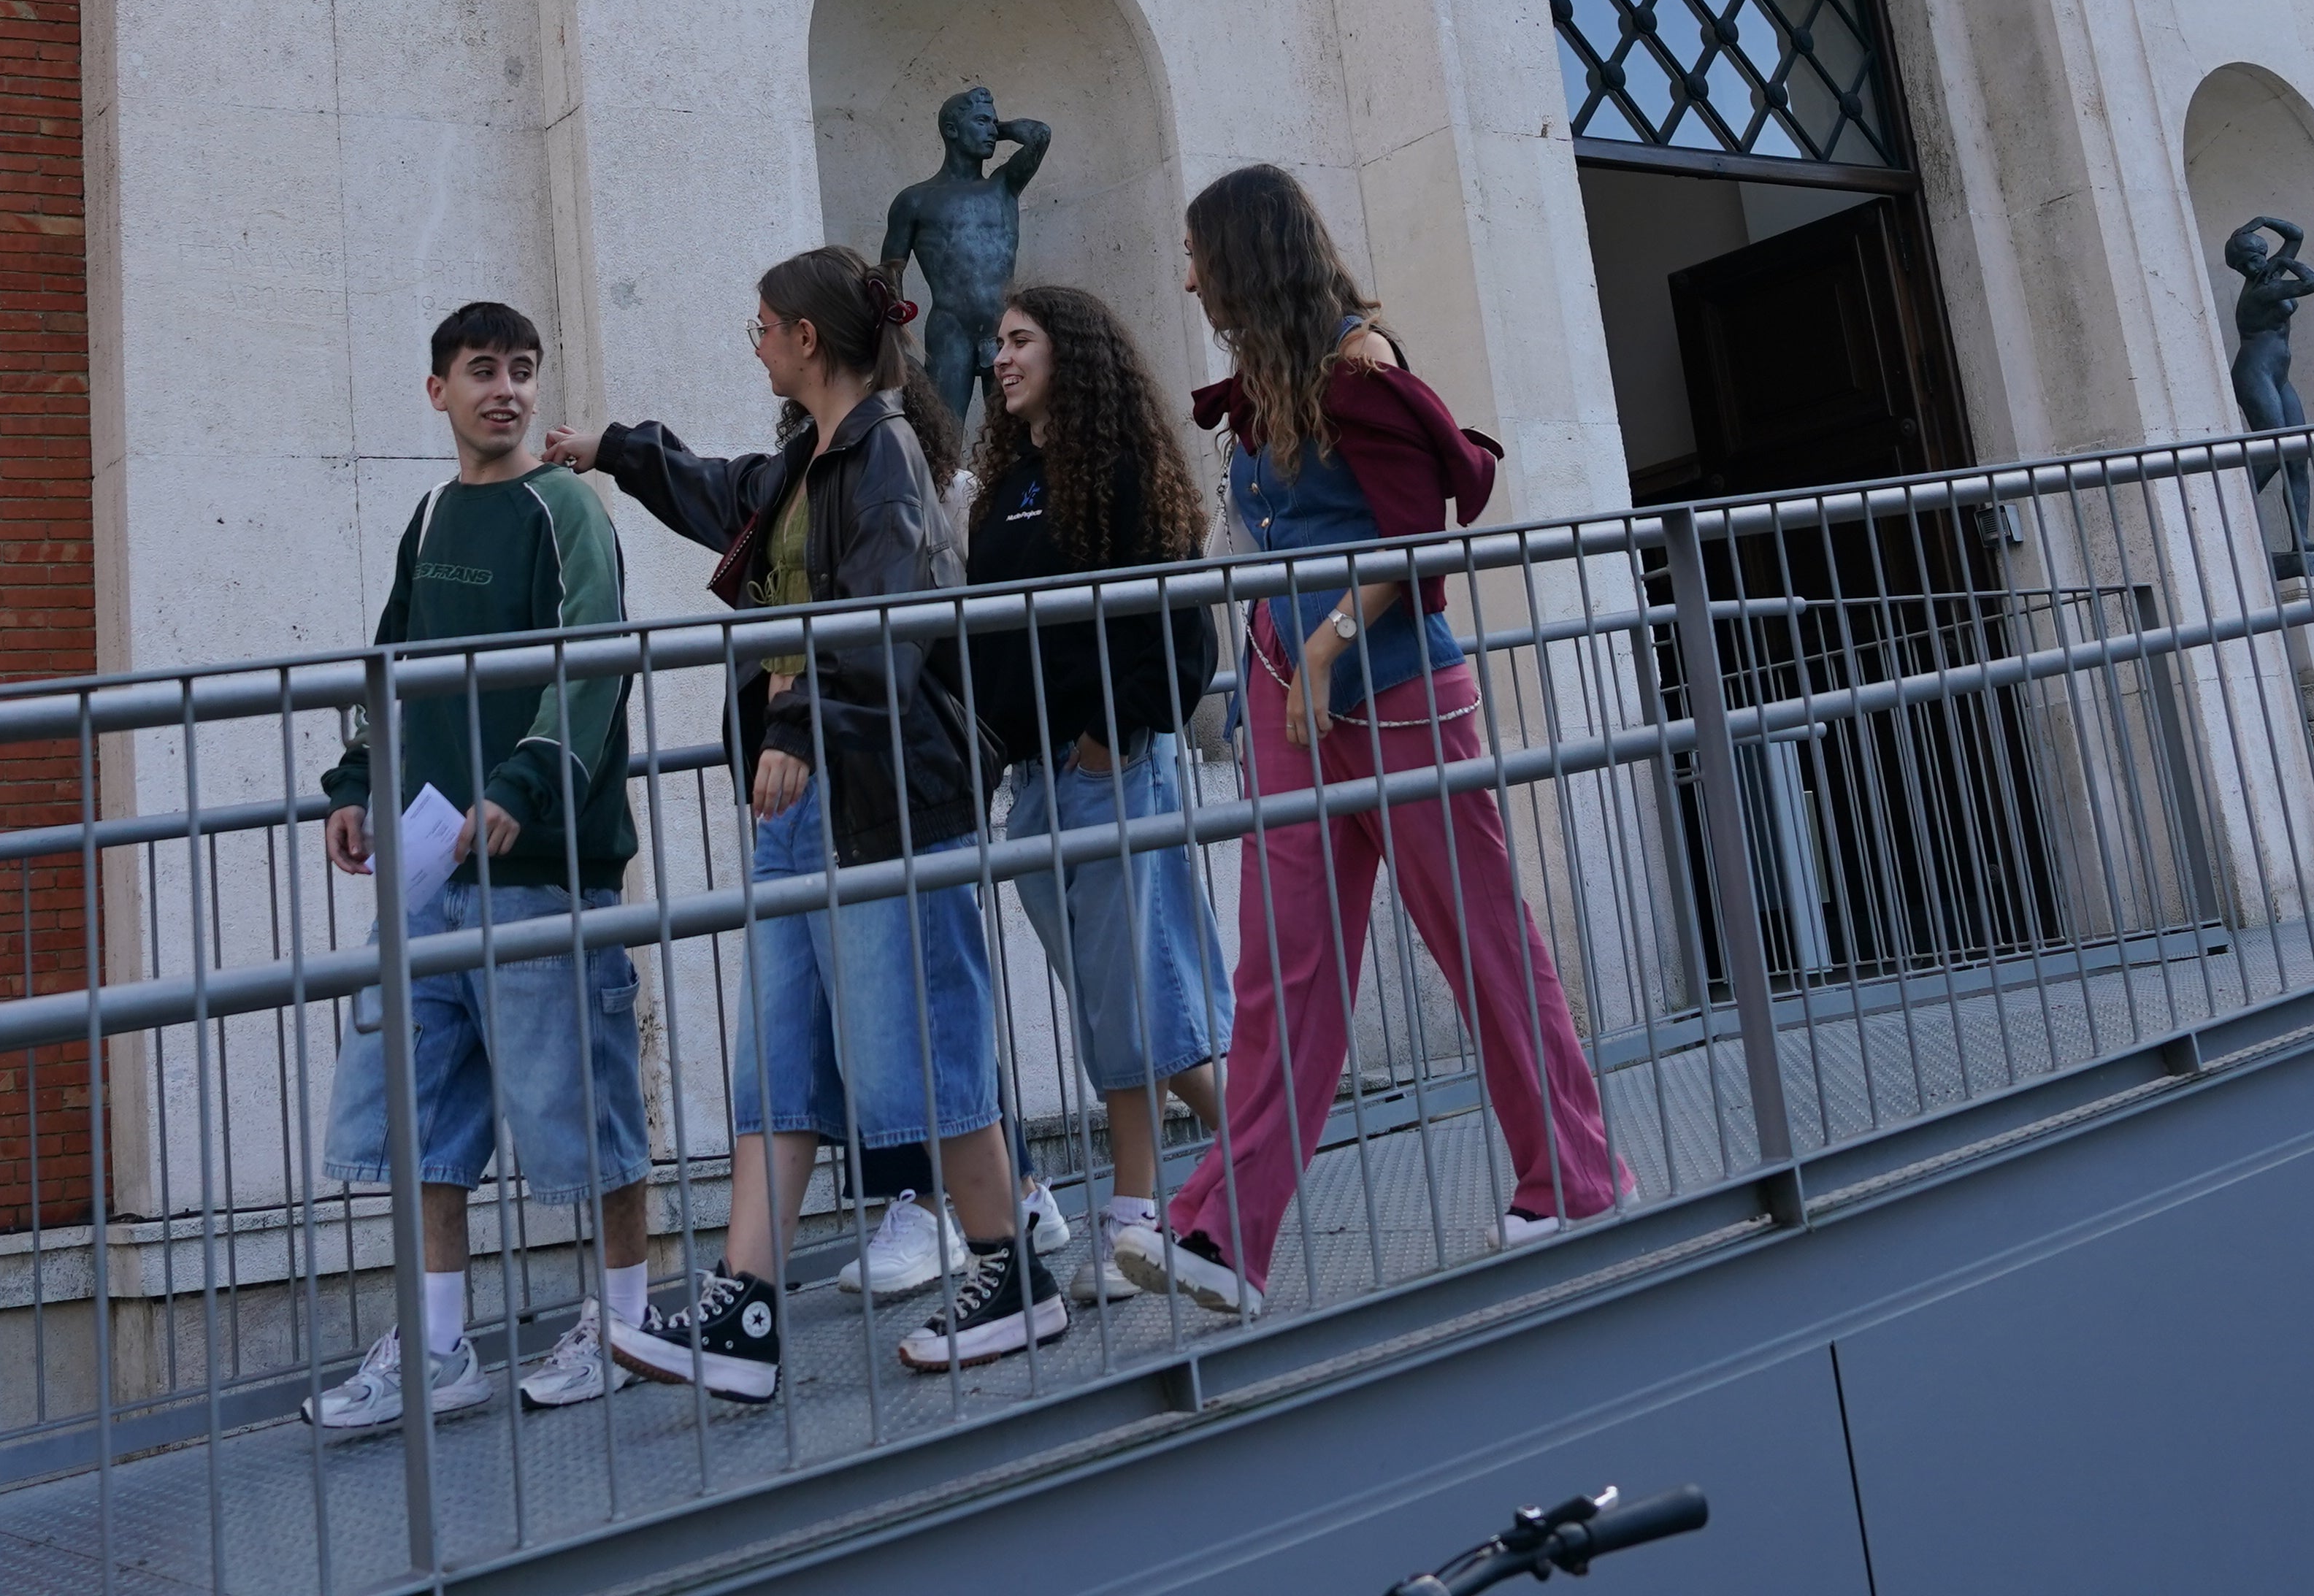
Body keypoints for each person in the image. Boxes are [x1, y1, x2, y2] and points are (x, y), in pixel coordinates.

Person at [547, 246, 1066, 1394]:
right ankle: (746, 1310)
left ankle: (1010, 1271)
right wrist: (614, 454)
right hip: (803, 804)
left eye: (764, 327)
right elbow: (723, 491)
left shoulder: (883, 458)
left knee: (919, 1043)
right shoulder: (810, 460)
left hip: (876, 795)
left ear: (808, 342)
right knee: (776, 1055)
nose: (759, 343)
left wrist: (794, 730)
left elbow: (889, 615)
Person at [1158, 168, 1623, 1316]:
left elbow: (1421, 542)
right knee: (1285, 975)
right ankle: (1223, 1235)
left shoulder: (1363, 367)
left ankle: (1575, 1180)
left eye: (1197, 253)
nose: (1185, 275)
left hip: (1401, 697)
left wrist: (1319, 651)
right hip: (1289, 706)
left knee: (1482, 946)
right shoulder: (1272, 384)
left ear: (1246, 258)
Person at [304, 302, 653, 1431]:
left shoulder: (568, 511)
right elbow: (392, 669)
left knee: (583, 1114)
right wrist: (356, 787)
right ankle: (441, 1348)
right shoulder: (427, 517)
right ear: (437, 390)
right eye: (480, 371)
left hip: (545, 866)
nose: (504, 390)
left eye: (521, 371)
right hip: (428, 874)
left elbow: (592, 661)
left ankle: (628, 1326)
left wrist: (524, 784)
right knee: (423, 1125)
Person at [959, 283, 1231, 1303]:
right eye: (997, 342)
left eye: (1020, 340)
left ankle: (1136, 1214)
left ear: (1072, 352)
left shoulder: (1117, 469)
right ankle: (1254, 1140)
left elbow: (1168, 620)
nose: (1001, 358)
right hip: (1034, 779)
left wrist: (1108, 741)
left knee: (1129, 994)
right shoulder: (1007, 483)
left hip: (1108, 765)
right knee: (1115, 998)